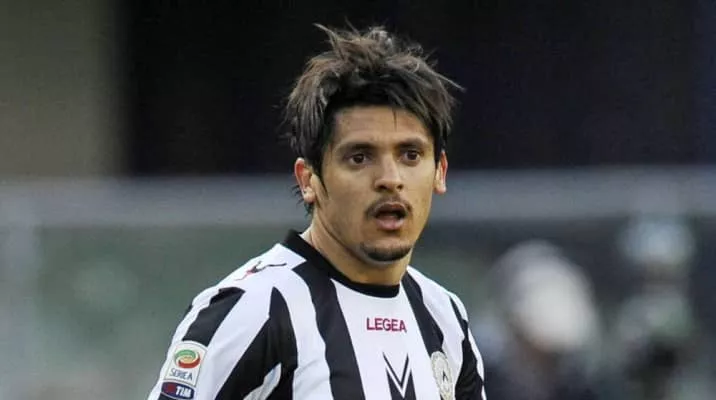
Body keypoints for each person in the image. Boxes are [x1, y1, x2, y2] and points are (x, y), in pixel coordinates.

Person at [147, 24, 486, 400]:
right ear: (308, 178)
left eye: (410, 155)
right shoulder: (254, 311)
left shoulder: (444, 317)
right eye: (360, 157)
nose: (390, 179)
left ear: (439, 171)